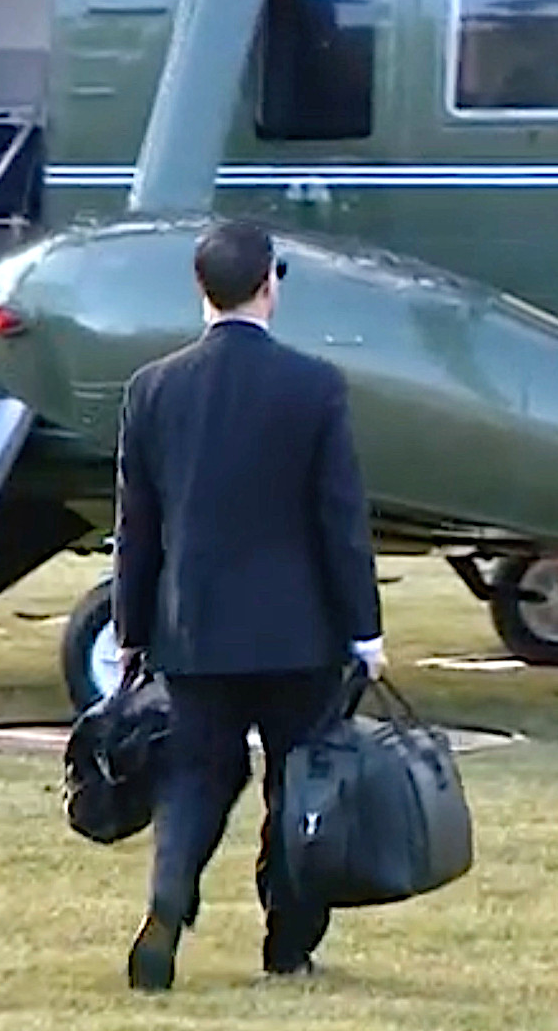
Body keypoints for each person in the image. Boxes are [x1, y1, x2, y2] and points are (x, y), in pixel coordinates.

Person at [111, 218, 386, 991]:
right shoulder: (314, 385)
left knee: (194, 776)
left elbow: (138, 528)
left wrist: (133, 630)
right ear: (270, 285)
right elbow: (340, 520)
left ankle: (169, 900)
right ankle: (288, 944)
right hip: (299, 633)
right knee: (299, 786)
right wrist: (364, 629)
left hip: (194, 628)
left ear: (200, 288)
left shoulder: (152, 388)